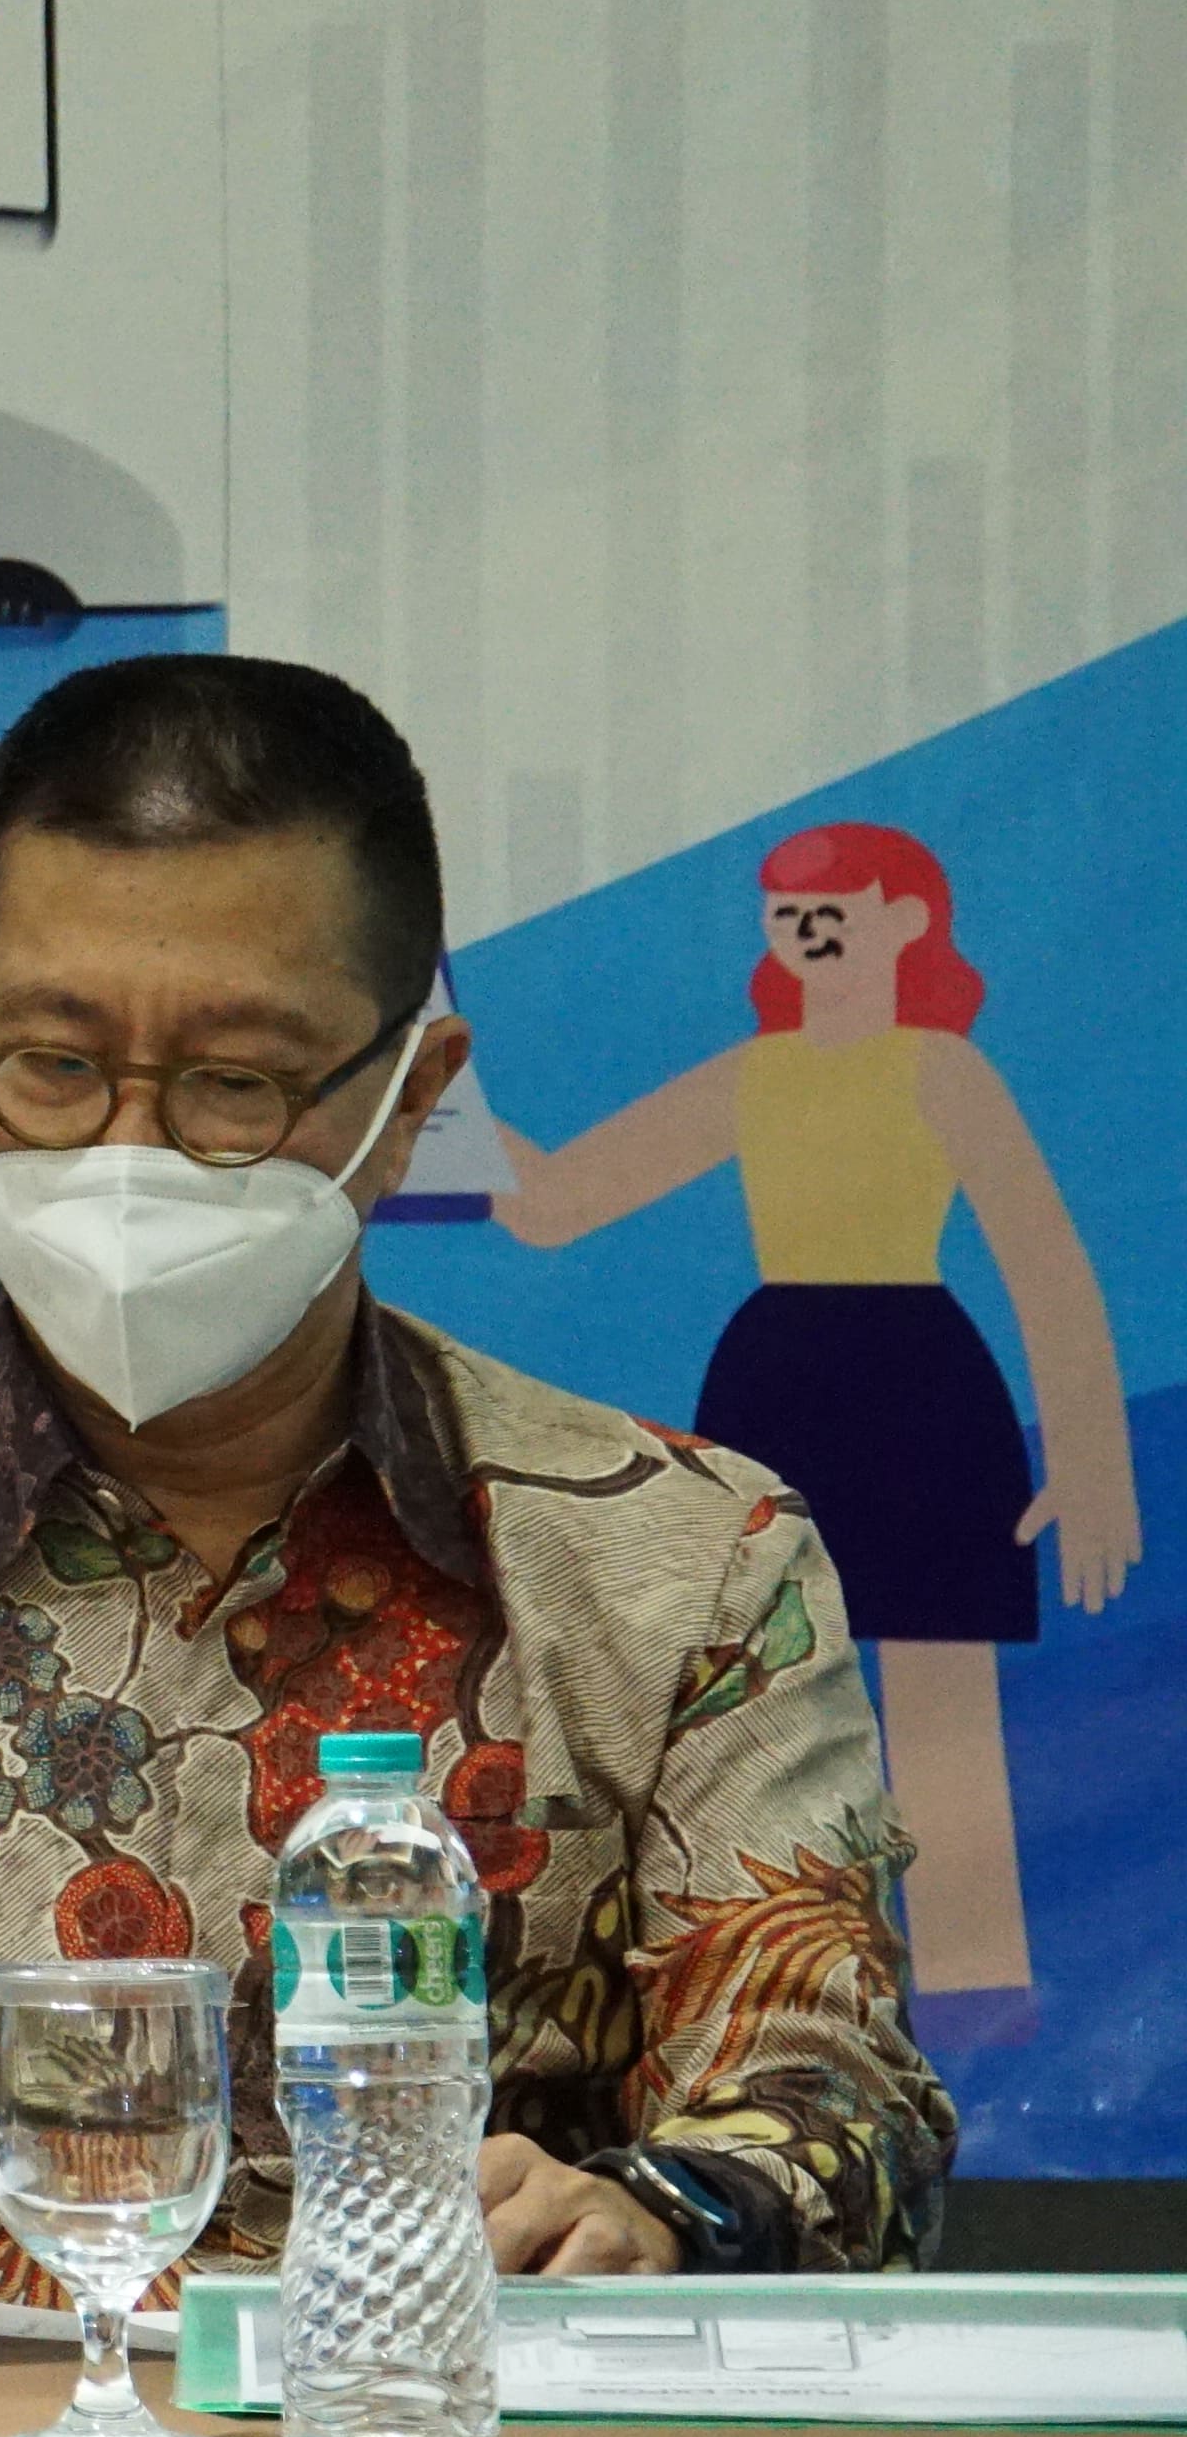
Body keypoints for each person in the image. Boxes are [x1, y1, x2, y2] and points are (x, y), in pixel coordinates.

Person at [0, 654, 951, 2291]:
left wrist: (662, 2213)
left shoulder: (691, 1565)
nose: (131, 1151)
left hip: (461, 2408)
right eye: (53, 1064)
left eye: (237, 1082)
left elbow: (830, 2099)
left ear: (411, 1099)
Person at [487, 819, 1135, 2063]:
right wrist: (442, 1103)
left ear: (905, 921)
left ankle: (983, 2011)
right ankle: (779, 2006)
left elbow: (1043, 1255)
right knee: (756, 1708)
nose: (808, 932)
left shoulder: (943, 1069)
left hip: (925, 1394)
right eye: (788, 915)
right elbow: (561, 1201)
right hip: (778, 1392)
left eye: (832, 908)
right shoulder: (754, 1073)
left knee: (943, 1709)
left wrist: (1093, 1457)